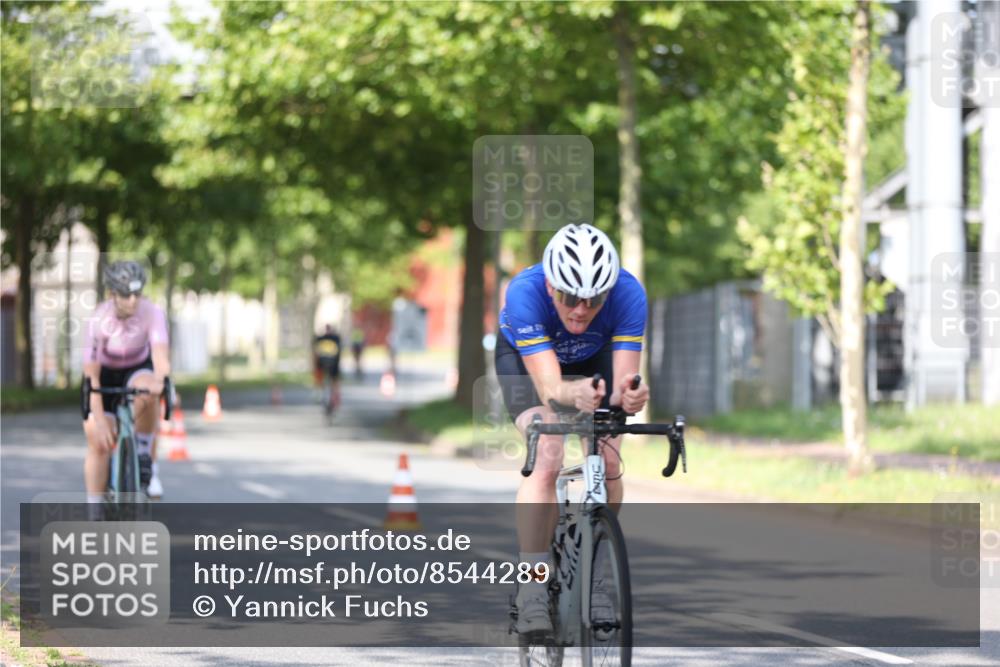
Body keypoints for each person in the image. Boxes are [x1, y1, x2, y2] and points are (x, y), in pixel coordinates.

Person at [494, 223, 650, 634]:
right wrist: (571, 393)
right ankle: (531, 587)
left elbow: (622, 386)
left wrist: (630, 396)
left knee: (610, 454)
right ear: (550, 286)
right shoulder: (523, 294)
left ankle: (595, 568)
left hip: (593, 361)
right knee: (547, 451)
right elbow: (549, 389)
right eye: (569, 297)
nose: (581, 309)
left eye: (594, 299)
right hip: (530, 365)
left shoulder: (630, 294)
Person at [82, 260, 171, 504]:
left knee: (150, 388)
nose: (133, 300)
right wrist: (99, 420)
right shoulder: (99, 319)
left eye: (137, 293)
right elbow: (92, 376)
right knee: (98, 442)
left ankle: (144, 455)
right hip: (104, 374)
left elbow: (161, 359)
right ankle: (95, 509)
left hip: (136, 367)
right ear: (112, 294)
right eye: (125, 294)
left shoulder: (152, 312)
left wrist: (162, 382)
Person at [313, 325, 342, 414]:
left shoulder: (325, 338)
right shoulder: (334, 338)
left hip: (331, 365)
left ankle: (327, 395)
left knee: (332, 381)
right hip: (326, 365)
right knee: (327, 379)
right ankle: (321, 393)